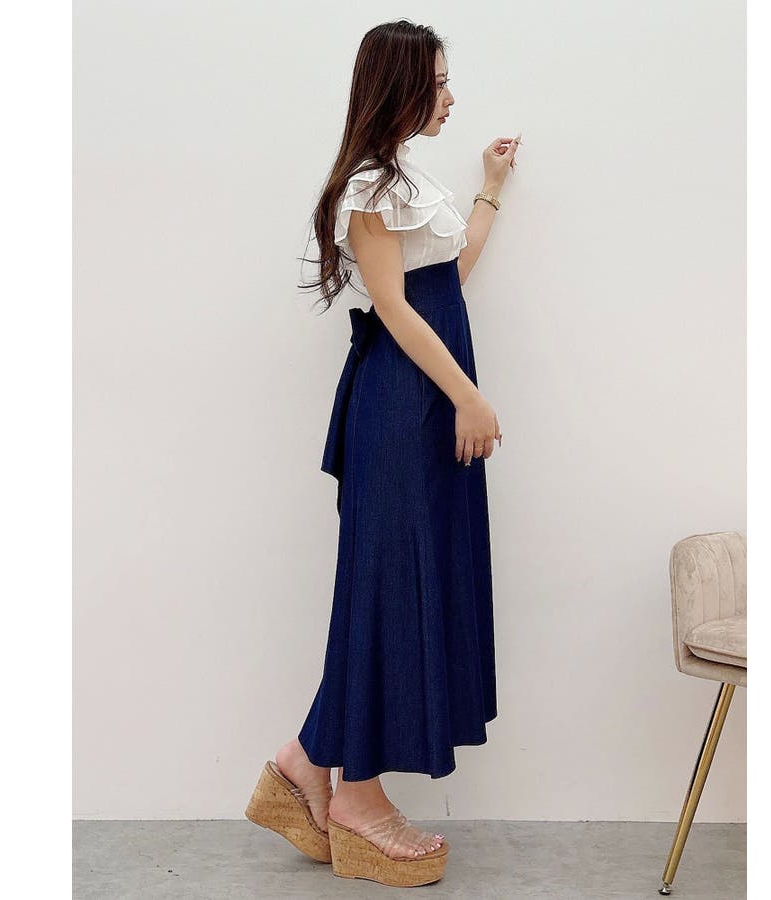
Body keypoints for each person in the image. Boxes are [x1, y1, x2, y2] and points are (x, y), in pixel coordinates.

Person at [245, 20, 520, 888]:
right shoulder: (368, 185)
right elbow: (396, 310)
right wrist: (467, 396)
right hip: (404, 405)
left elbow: (446, 278)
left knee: (406, 580)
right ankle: (354, 796)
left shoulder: (408, 178)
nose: (450, 97)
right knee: (389, 586)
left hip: (425, 398)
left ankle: (305, 762)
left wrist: (489, 189)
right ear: (399, 86)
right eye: (437, 83)